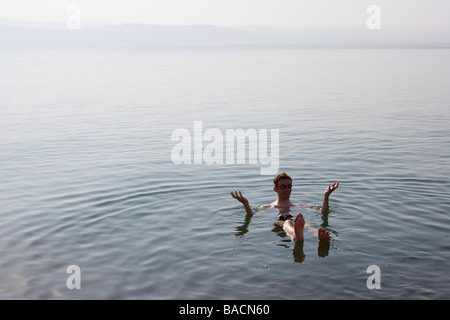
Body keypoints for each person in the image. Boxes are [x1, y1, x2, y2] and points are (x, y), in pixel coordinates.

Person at [230, 172, 339, 243]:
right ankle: (296, 234)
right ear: (276, 189)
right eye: (283, 187)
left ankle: (319, 235)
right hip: (280, 222)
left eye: (289, 186)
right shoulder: (267, 207)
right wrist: (245, 204)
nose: (287, 189)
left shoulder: (300, 206)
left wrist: (326, 196)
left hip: (296, 220)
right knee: (285, 221)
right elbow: (252, 216)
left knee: (307, 224)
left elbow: (323, 213)